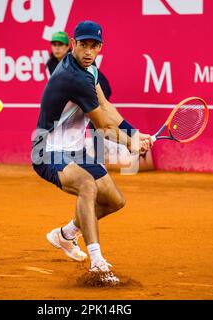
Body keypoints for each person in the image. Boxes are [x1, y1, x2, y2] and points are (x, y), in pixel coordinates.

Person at [31, 21, 153, 285]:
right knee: (87, 186)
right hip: (47, 150)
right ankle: (97, 261)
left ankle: (65, 234)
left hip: (74, 149)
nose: (88, 51)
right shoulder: (72, 77)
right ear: (73, 44)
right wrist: (130, 143)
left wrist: (134, 132)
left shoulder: (90, 69)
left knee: (114, 201)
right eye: (83, 44)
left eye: (93, 46)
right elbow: (103, 126)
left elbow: (106, 107)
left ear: (100, 48)